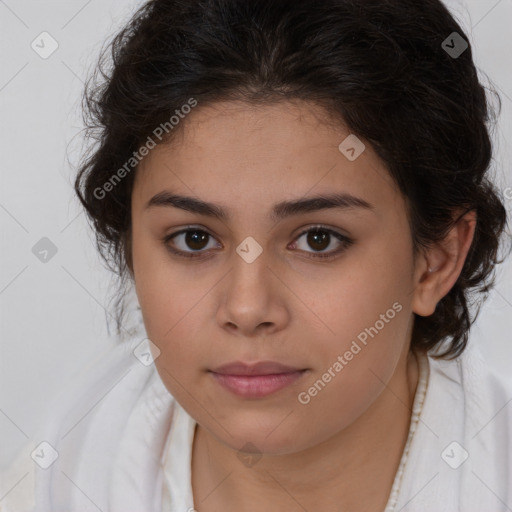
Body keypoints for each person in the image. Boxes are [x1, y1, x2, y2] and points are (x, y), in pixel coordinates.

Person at [1, 0, 511, 510]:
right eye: (194, 239)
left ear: (436, 260)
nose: (247, 310)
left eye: (318, 239)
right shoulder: (65, 472)